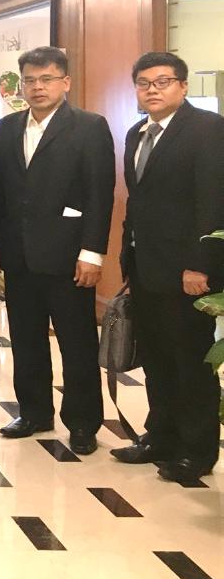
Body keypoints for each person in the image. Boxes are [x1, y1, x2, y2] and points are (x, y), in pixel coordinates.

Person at [0, 46, 114, 456]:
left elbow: (99, 194)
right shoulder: (6, 128)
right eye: (30, 80)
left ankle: (82, 423)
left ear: (65, 82)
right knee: (25, 339)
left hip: (68, 257)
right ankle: (35, 412)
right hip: (17, 255)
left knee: (77, 343)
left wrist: (92, 253)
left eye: (47, 79)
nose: (37, 87)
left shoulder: (89, 127)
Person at [112, 51, 224, 485]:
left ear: (182, 85)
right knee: (156, 359)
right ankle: (160, 437)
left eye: (162, 82)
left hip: (187, 273)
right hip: (144, 266)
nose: (152, 90)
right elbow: (138, 202)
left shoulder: (208, 130)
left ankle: (196, 452)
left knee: (190, 361)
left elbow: (212, 204)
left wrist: (201, 266)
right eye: (144, 83)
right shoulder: (136, 132)